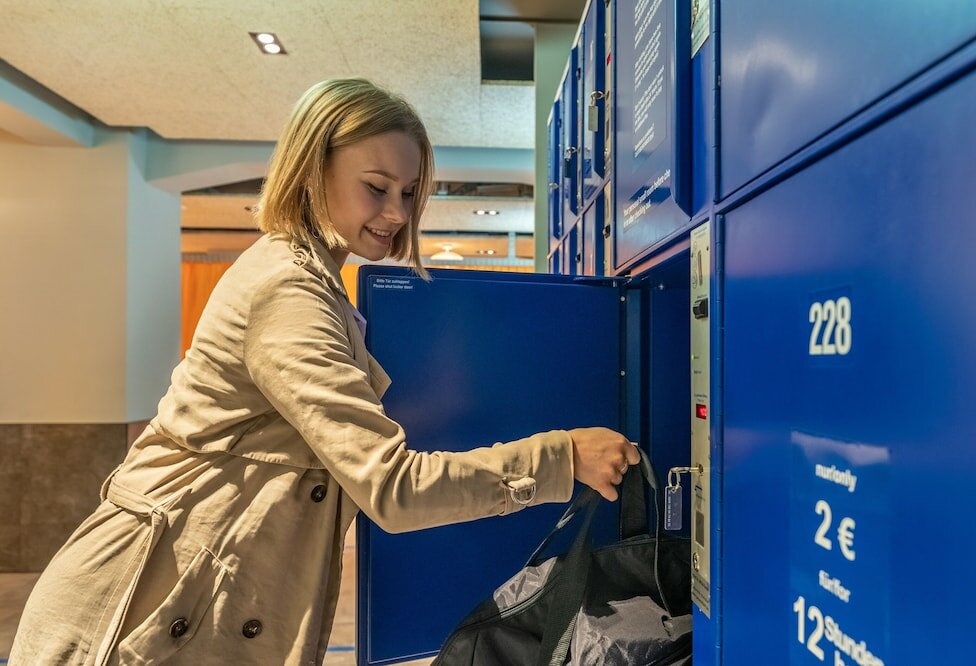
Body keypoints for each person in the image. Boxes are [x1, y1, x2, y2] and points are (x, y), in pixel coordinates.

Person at [10, 78, 639, 665]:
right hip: (146, 607)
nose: (396, 211)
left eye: (410, 191)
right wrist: (559, 459)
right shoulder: (287, 291)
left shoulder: (322, 285)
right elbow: (393, 491)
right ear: (314, 172)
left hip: (198, 594)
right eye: (377, 186)